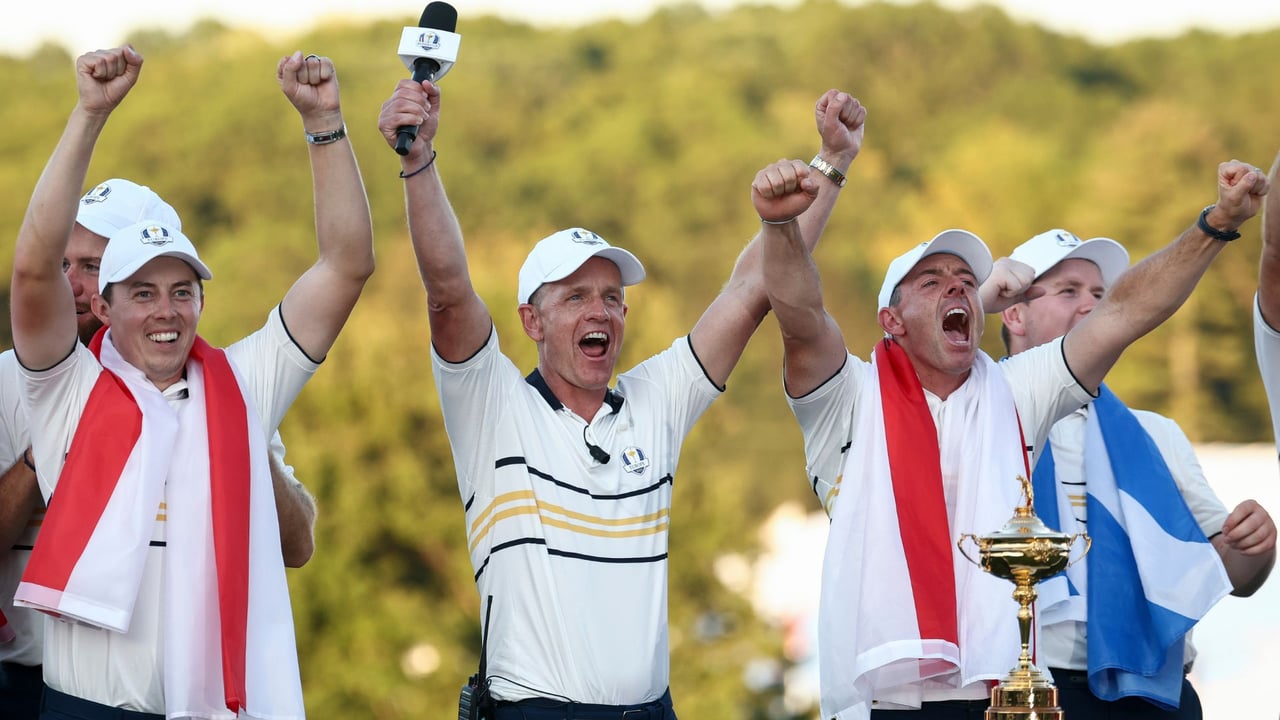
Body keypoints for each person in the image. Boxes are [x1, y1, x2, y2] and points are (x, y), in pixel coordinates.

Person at [378, 73, 865, 717]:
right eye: (575, 296)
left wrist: (830, 163)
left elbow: (753, 289)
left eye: (612, 297)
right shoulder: (491, 405)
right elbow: (447, 287)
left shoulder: (652, 402)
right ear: (531, 321)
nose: (599, 311)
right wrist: (418, 160)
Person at [761, 160, 1269, 719]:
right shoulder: (849, 396)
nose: (955, 284)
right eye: (931, 281)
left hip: (1001, 696)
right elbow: (800, 315)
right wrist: (783, 227)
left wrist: (1217, 224)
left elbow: (1126, 312)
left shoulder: (1014, 392)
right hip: (883, 697)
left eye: (964, 280)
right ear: (892, 319)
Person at [9, 45, 373, 719]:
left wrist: (324, 124)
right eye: (142, 293)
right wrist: (89, 114)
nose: (167, 311)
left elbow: (347, 265)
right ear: (104, 304)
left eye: (183, 290)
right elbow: (32, 270)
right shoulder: (65, 389)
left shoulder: (238, 386)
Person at [0, 177, 321, 719]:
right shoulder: (13, 378)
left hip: (165, 696)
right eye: (64, 265)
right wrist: (50, 451)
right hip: (21, 677)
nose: (73, 285)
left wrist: (235, 438)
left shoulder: (220, 391)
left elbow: (296, 546)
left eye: (93, 266)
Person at [1000, 229, 1276, 719]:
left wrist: (1256, 544)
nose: (1093, 307)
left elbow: (1231, 576)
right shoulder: (971, 419)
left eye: (1102, 296)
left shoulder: (1156, 433)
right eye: (1069, 291)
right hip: (1018, 692)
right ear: (1014, 313)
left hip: (1149, 692)